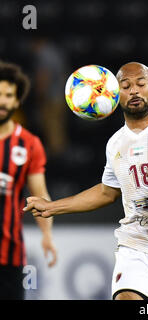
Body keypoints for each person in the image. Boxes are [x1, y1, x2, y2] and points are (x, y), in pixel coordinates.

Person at [24, 62, 148, 300]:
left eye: (141, 84)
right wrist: (52, 206)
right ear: (115, 95)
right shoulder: (116, 143)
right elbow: (107, 192)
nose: (134, 91)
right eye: (125, 86)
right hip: (137, 246)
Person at [0, 61, 57, 300]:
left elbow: (40, 196)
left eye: (9, 95)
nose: (2, 101)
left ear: (16, 101)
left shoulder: (29, 144)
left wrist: (47, 235)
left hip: (9, 257)